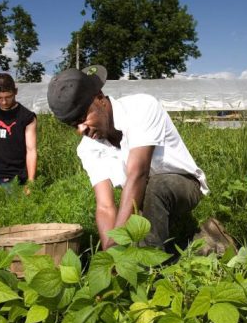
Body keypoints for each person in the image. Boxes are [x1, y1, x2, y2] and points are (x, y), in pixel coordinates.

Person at [47, 65, 209, 251]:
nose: (81, 130)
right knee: (133, 227)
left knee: (155, 187)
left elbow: (138, 174)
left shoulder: (141, 108)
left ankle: (150, 270)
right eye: (74, 125)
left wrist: (118, 243)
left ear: (100, 98)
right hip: (140, 199)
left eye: (83, 118)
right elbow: (105, 206)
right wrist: (110, 253)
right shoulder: (87, 148)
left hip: (183, 186)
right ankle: (198, 242)